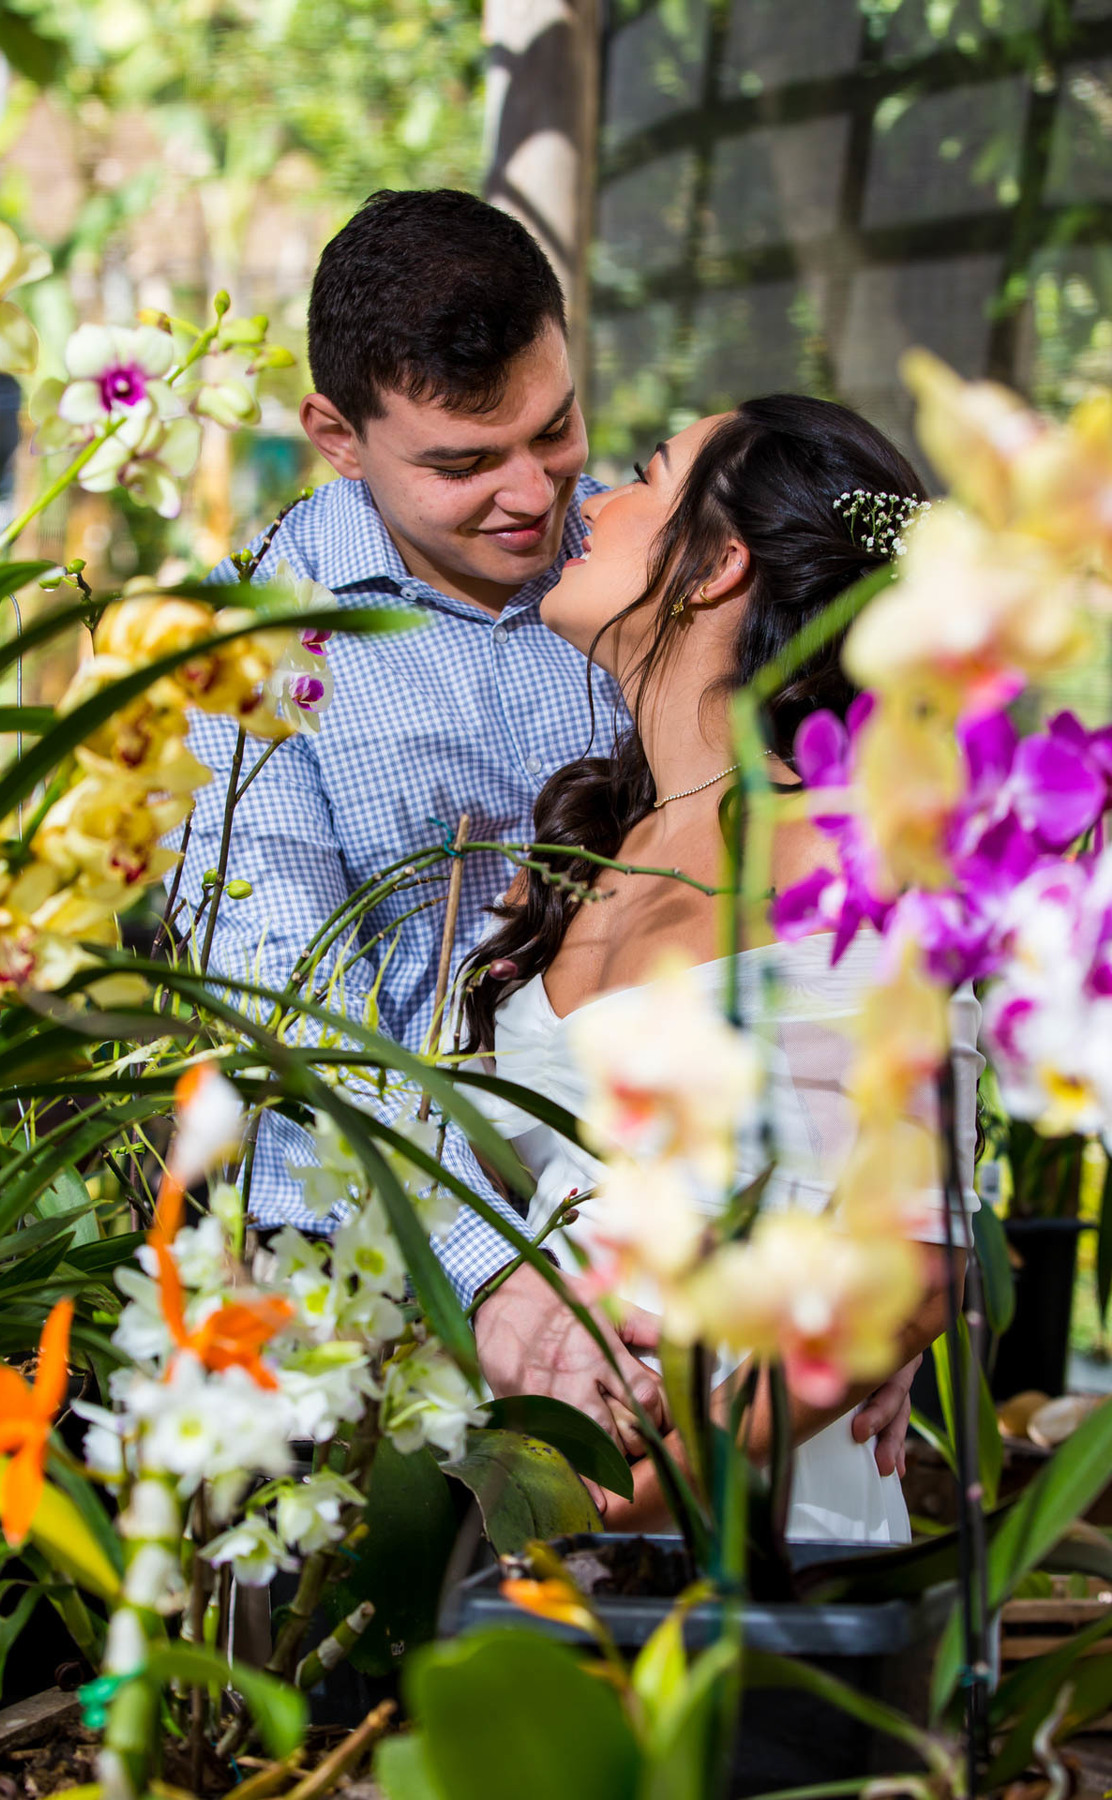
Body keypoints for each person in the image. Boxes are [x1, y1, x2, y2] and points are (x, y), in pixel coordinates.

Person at [182, 189, 916, 1495]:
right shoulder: (248, 659)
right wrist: (493, 1268)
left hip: (679, 1372)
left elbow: (836, 1012)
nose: (534, 496)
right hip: (364, 1298)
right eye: (466, 465)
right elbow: (280, 989)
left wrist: (885, 1280)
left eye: (558, 428)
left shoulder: (642, 576)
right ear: (339, 438)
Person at [462, 395, 980, 1541]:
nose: (590, 498)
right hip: (519, 1499)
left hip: (738, 1527)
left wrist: (627, 1499)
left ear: (717, 562)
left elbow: (911, 1270)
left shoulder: (857, 860)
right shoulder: (577, 847)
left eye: (648, 474)